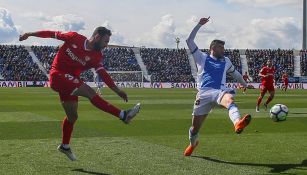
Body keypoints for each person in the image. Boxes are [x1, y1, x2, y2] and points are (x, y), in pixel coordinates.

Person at [19, 27, 141, 161]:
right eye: (106, 41)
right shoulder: (74, 37)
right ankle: (123, 115)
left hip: (70, 81)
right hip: (57, 75)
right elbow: (50, 34)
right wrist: (29, 34)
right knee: (89, 92)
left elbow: (102, 73)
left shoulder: (97, 56)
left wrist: (117, 90)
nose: (107, 45)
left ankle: (65, 146)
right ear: (97, 37)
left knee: (72, 117)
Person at [184, 17, 251, 156]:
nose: (223, 50)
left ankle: (238, 123)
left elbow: (236, 74)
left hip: (219, 92)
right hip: (203, 94)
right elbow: (189, 41)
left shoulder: (226, 61)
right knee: (194, 129)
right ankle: (193, 144)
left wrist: (245, 85)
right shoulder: (202, 57)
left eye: (224, 48)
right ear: (212, 48)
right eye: (221, 47)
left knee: (230, 101)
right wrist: (199, 25)